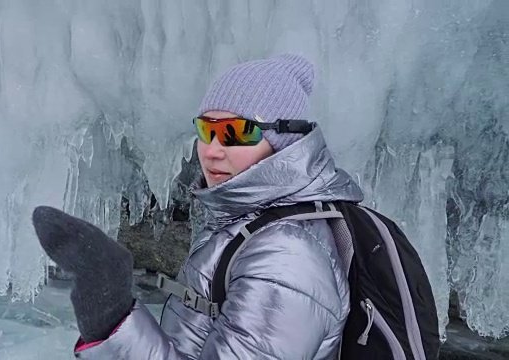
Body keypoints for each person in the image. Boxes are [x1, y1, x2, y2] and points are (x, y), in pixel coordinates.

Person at [32, 53, 364, 359]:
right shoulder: (246, 223)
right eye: (207, 130)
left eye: (236, 132)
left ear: (285, 140)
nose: (213, 150)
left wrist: (112, 315)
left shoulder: (285, 256)